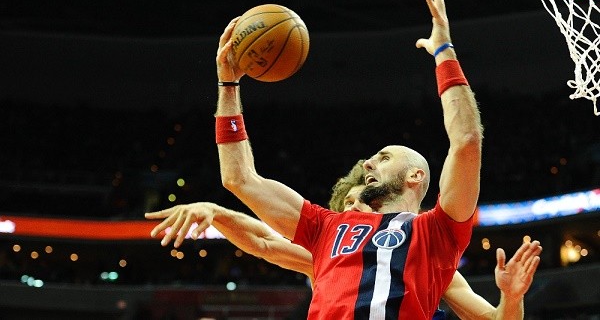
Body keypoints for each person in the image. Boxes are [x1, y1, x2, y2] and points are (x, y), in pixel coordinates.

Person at [214, 0, 483, 317]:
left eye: (384, 157)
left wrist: (443, 51)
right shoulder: (325, 227)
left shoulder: (436, 233)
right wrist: (228, 85)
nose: (368, 162)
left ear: (416, 175)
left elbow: (467, 140)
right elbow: (238, 178)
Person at [146, 160, 542, 319]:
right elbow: (264, 241)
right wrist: (217, 212)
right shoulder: (332, 250)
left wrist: (511, 297)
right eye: (346, 204)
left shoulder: (426, 254)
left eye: (360, 200)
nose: (354, 208)